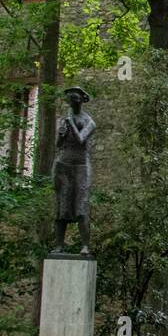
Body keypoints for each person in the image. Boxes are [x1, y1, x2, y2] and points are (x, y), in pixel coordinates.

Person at [52, 86, 96, 254]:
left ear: (82, 100)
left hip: (81, 166)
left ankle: (85, 246)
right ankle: (59, 245)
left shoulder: (89, 122)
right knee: (61, 207)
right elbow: (58, 145)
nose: (72, 102)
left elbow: (80, 140)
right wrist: (61, 134)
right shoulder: (64, 119)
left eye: (75, 99)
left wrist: (70, 123)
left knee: (81, 206)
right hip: (64, 164)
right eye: (70, 99)